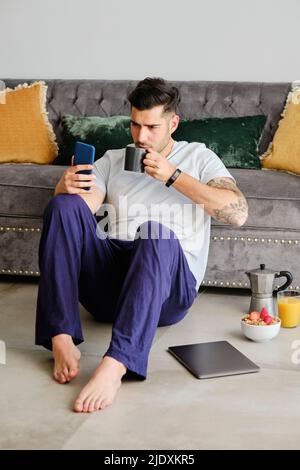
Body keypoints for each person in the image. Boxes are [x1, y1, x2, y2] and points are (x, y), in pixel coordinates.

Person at [35, 77, 248, 413]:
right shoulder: (113, 159)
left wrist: (173, 176)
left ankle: (118, 362)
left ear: (173, 123)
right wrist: (64, 188)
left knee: (155, 231)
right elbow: (82, 210)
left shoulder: (198, 157)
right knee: (63, 206)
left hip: (167, 285)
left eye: (152, 126)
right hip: (110, 285)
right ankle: (60, 335)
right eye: (135, 125)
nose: (141, 136)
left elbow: (237, 213)